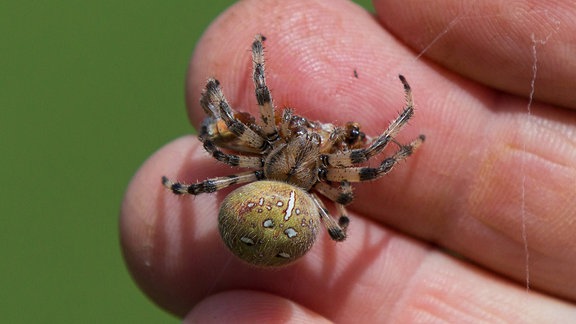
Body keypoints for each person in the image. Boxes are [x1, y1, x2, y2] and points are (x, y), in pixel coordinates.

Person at [120, 0, 576, 322]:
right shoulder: (328, 178)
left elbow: (223, 125)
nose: (307, 137)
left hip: (267, 188)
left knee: (221, 141)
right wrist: (403, 125)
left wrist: (256, 58)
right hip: (280, 200)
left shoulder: (265, 155)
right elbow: (369, 171)